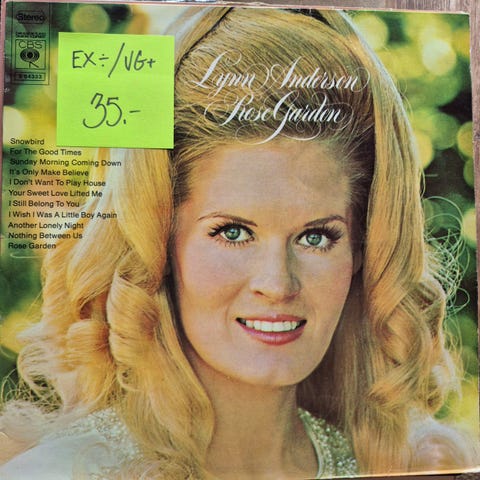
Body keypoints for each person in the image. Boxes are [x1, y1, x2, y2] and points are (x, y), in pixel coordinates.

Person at [0, 6, 477, 479]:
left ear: (362, 250)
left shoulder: (402, 466)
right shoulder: (60, 473)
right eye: (233, 232)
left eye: (315, 237)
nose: (278, 284)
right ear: (159, 244)